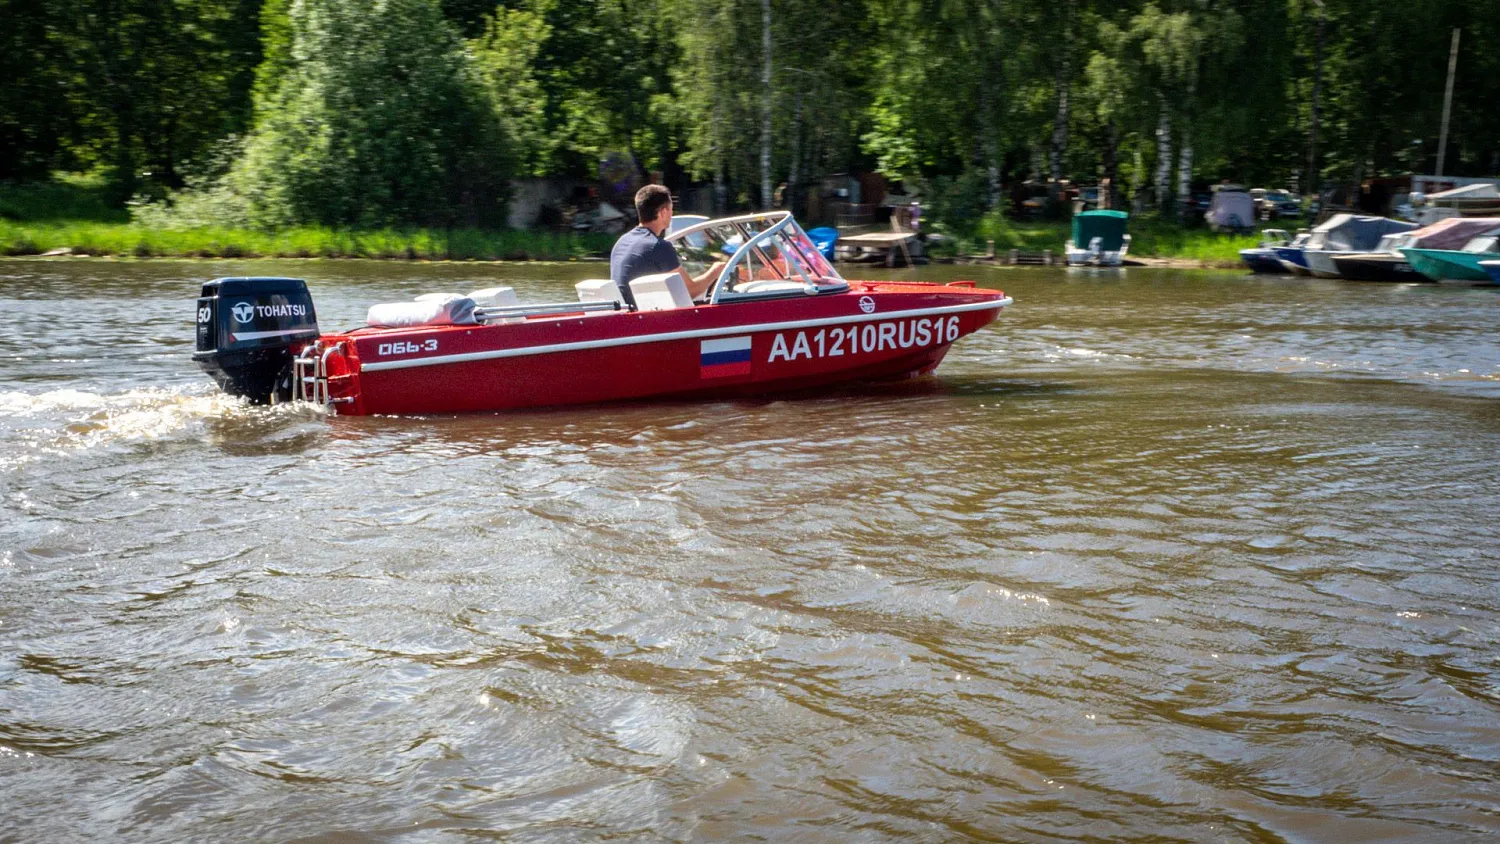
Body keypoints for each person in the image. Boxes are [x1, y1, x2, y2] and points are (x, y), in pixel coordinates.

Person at [610, 184, 725, 309]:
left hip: (626, 316)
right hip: (646, 320)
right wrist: (716, 270)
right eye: (671, 209)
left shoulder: (622, 242)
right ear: (663, 212)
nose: (672, 214)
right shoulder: (658, 246)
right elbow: (689, 292)